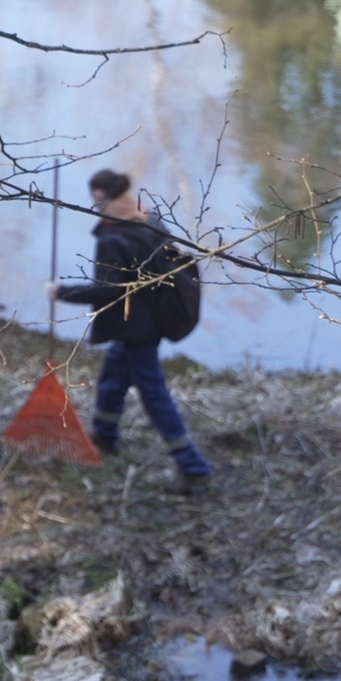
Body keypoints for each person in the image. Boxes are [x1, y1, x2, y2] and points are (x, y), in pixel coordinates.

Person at [48, 169, 213, 489]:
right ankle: (105, 435)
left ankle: (192, 465)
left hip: (138, 327)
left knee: (153, 394)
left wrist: (62, 292)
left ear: (100, 195)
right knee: (112, 378)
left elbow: (109, 290)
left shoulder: (114, 236)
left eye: (93, 194)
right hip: (148, 318)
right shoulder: (147, 217)